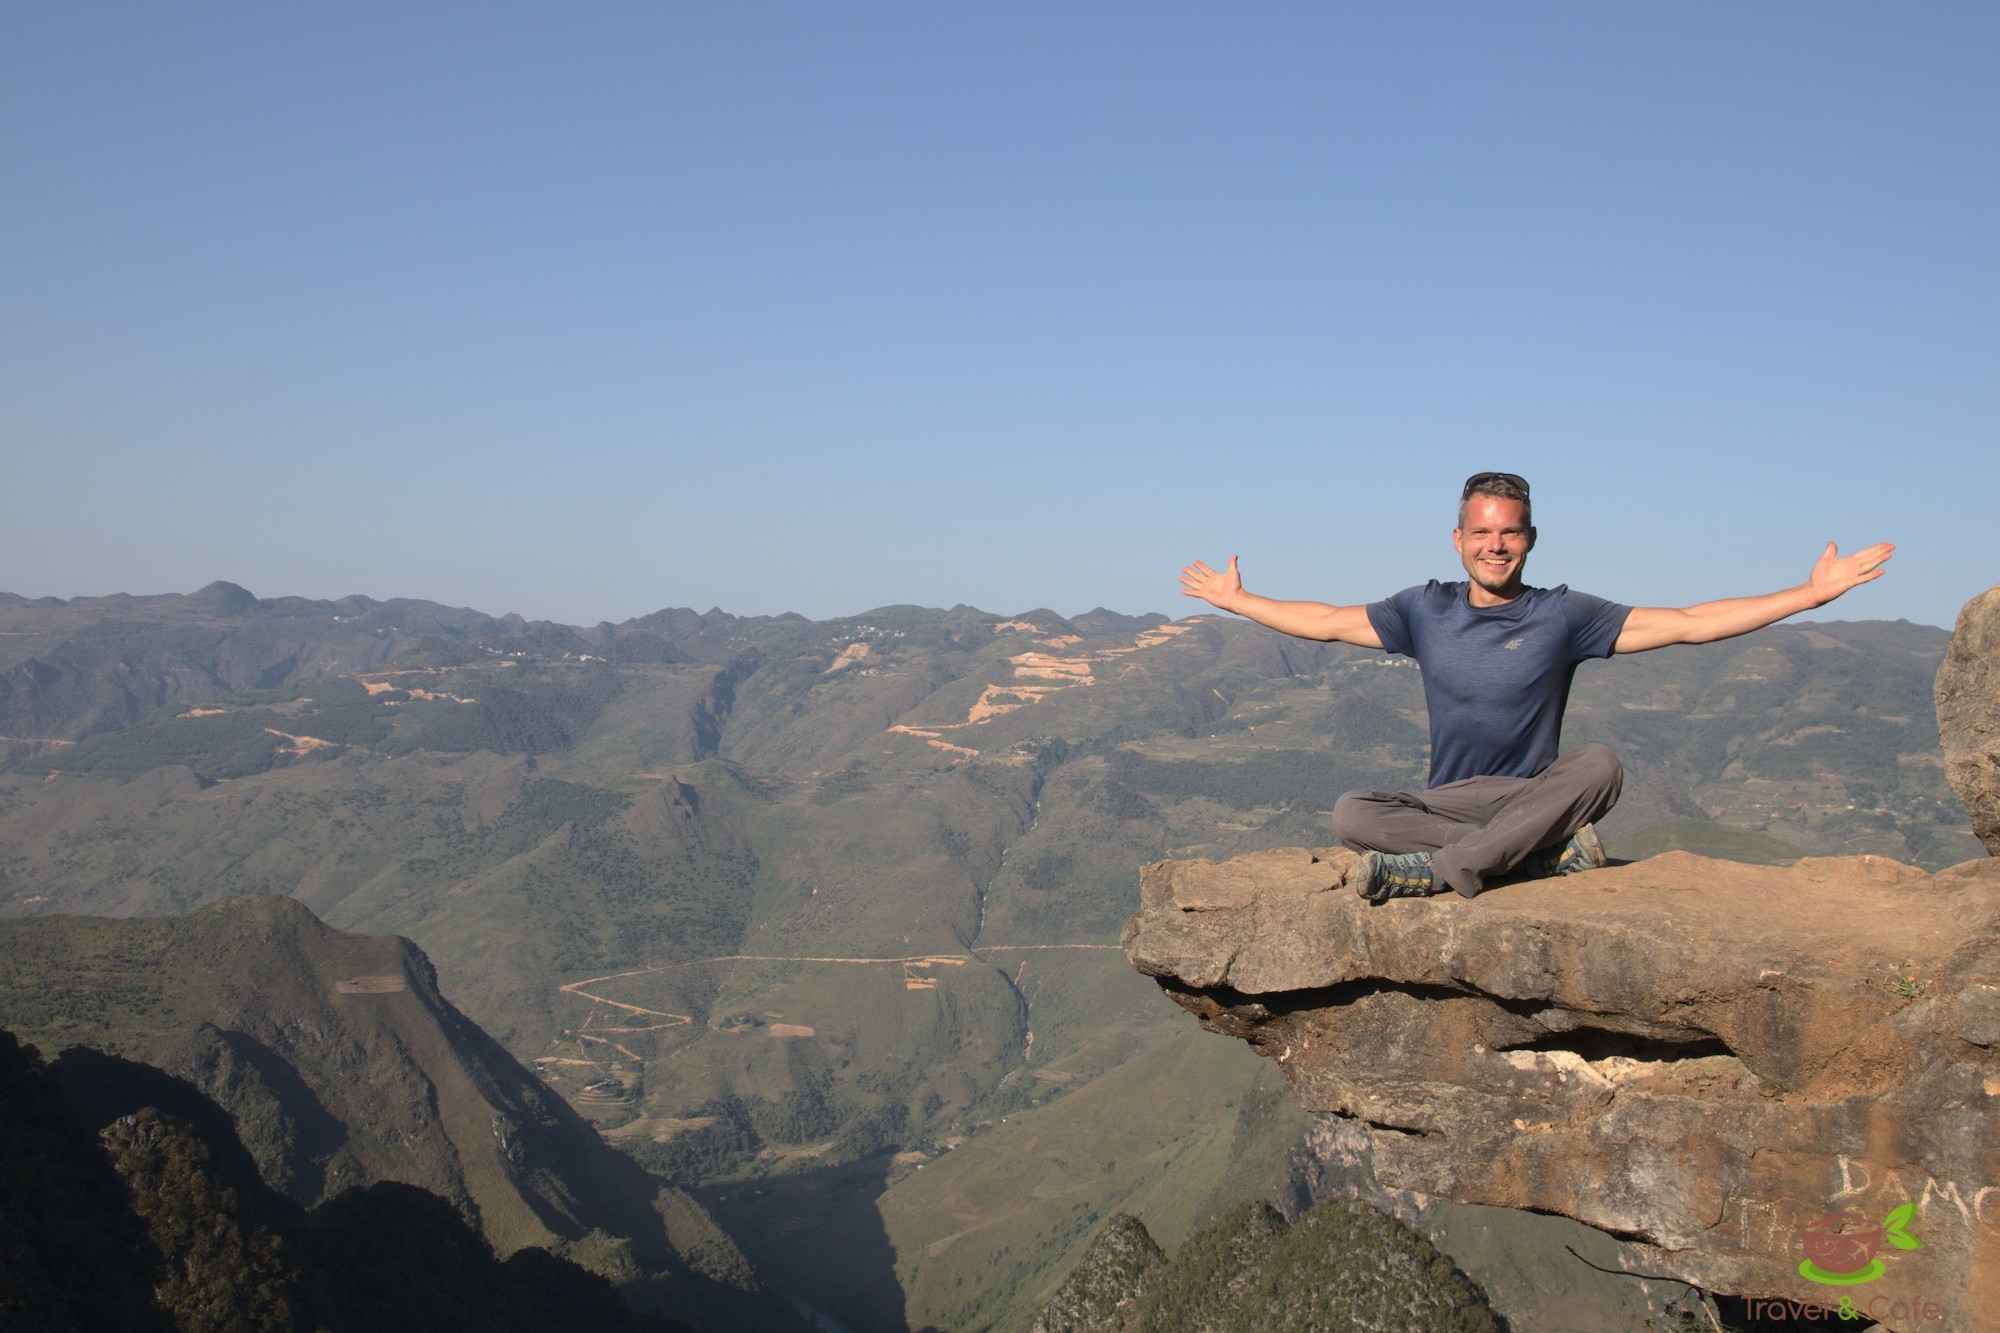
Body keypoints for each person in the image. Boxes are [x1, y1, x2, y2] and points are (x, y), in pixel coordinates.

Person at [1178, 471, 1894, 904]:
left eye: (1510, 534)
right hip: (1450, 799)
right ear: (1458, 538)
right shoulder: (1424, 609)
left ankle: (1444, 871)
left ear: (1530, 539)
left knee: (1601, 765)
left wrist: (1808, 594)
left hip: (1533, 794)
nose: (1495, 546)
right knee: (1351, 812)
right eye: (1482, 533)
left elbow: (1689, 623)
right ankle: (1528, 857)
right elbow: (1329, 621)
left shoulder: (1563, 615)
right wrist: (1240, 601)